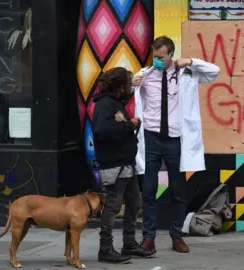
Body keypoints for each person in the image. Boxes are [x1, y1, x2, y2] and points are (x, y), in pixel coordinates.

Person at [132, 36, 221, 253]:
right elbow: (127, 93)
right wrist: (130, 85)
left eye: (162, 57)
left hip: (175, 140)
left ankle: (176, 235)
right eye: (155, 57)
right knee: (149, 190)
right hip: (151, 138)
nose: (158, 61)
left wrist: (190, 61)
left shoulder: (187, 74)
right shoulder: (145, 75)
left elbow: (214, 71)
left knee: (178, 190)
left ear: (172, 54)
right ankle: (148, 238)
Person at [92, 67, 155, 264]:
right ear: (121, 88)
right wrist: (130, 125)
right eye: (128, 84)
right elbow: (102, 130)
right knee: (112, 205)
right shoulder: (105, 104)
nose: (130, 88)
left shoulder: (114, 102)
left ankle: (129, 243)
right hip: (115, 165)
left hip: (126, 164)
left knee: (134, 202)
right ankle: (105, 248)